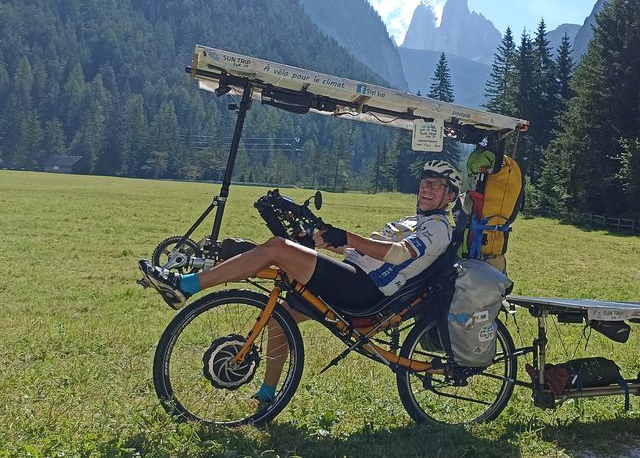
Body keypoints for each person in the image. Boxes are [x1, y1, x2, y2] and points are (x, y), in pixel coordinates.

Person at [139, 159, 463, 404]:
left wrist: (347, 236)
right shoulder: (412, 220)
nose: (427, 188)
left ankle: (186, 286)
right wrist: (328, 240)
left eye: (436, 185)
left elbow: (395, 255)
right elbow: (370, 250)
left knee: (277, 249)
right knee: (280, 319)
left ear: (450, 196)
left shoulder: (438, 229)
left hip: (366, 293)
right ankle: (266, 397)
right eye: (425, 182)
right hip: (353, 278)